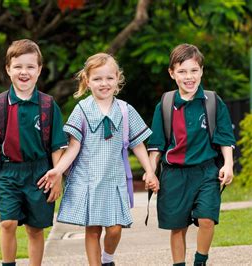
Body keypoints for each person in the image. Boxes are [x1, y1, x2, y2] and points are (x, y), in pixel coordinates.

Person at [39, 53, 159, 266]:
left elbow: (137, 144)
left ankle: (107, 258)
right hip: (88, 180)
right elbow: (74, 147)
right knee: (93, 229)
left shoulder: (125, 109)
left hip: (114, 180)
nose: (104, 84)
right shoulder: (82, 110)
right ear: (87, 80)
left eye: (109, 78)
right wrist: (58, 170)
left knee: (115, 228)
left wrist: (149, 171)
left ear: (117, 79)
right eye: (97, 79)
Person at [147, 44, 236, 266]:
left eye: (194, 70)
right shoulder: (166, 105)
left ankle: (200, 262)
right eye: (182, 71)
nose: (189, 77)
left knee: (207, 220)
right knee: (178, 227)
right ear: (172, 73)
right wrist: (151, 173)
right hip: (174, 175)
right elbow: (157, 145)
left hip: (206, 171)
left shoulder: (213, 102)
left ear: (201, 71)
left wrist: (228, 164)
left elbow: (225, 138)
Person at [0, 39, 67, 266]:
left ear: (39, 70)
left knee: (35, 228)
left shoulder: (48, 105)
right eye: (18, 66)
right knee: (7, 223)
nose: (24, 72)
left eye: (30, 66)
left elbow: (57, 147)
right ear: (8, 69)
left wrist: (57, 176)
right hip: (8, 172)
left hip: (40, 172)